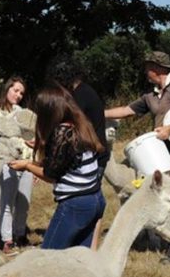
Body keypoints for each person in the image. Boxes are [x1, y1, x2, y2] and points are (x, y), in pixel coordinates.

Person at [9, 84, 106, 250]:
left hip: (76, 204)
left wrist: (26, 165)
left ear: (48, 111)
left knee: (48, 257)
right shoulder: (78, 125)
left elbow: (50, 174)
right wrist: (42, 149)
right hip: (95, 199)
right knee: (79, 258)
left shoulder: (62, 133)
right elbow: (64, 163)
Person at [47, 56, 111, 249]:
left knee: (85, 200)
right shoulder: (86, 91)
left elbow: (69, 131)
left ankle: (89, 250)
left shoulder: (79, 97)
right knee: (92, 201)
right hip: (95, 155)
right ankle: (85, 250)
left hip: (92, 158)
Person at [105, 51, 170, 159]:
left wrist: (169, 129)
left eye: (147, 68)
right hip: (161, 147)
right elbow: (126, 110)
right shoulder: (150, 94)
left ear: (157, 68)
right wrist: (97, 113)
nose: (145, 71)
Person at [0, 76, 34, 255]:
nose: (18, 95)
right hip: (8, 163)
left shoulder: (24, 114)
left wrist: (33, 163)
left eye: (21, 93)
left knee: (24, 202)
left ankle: (20, 235)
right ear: (7, 89)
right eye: (15, 90)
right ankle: (6, 241)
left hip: (26, 163)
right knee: (7, 202)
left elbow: (30, 137)